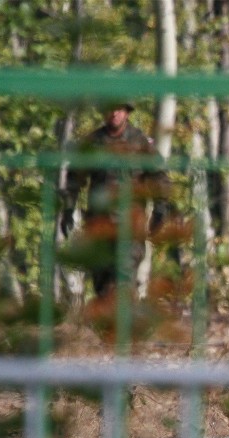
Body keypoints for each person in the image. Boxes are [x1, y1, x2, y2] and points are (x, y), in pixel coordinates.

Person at [61, 101, 176, 299]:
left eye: (119, 109)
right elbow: (74, 179)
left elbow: (160, 177)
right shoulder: (91, 144)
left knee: (123, 283)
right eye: (110, 108)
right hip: (100, 228)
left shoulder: (140, 143)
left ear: (127, 113)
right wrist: (68, 210)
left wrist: (160, 210)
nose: (114, 113)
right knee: (103, 288)